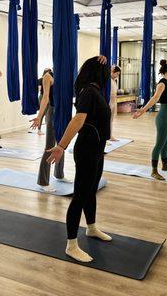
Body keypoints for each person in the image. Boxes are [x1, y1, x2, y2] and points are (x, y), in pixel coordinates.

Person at [46, 55, 111, 263]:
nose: (108, 74)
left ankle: (91, 228)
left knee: (91, 191)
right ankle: (71, 245)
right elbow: (77, 120)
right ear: (98, 73)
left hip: (97, 149)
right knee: (80, 196)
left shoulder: (94, 90)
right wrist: (61, 146)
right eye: (106, 71)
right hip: (87, 150)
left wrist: (98, 58)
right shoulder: (89, 92)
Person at [132, 59, 167, 180]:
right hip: (163, 117)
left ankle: (165, 165)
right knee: (159, 144)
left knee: (166, 143)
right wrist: (142, 110)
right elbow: (154, 98)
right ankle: (154, 170)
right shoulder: (162, 83)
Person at [30, 68, 71, 192]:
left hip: (62, 112)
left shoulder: (64, 72)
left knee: (62, 143)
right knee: (49, 146)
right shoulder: (48, 76)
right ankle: (43, 181)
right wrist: (39, 117)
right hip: (52, 112)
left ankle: (59, 174)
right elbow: (45, 97)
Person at [36, 68, 52, 136]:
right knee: (42, 114)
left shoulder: (49, 78)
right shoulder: (41, 79)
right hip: (43, 96)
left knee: (47, 114)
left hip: (49, 97)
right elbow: (39, 89)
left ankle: (45, 129)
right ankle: (39, 130)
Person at [109, 65, 121, 141]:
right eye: (117, 74)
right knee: (107, 120)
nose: (117, 76)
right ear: (112, 72)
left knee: (111, 120)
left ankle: (110, 136)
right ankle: (106, 136)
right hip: (109, 102)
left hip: (113, 102)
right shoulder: (108, 80)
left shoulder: (114, 81)